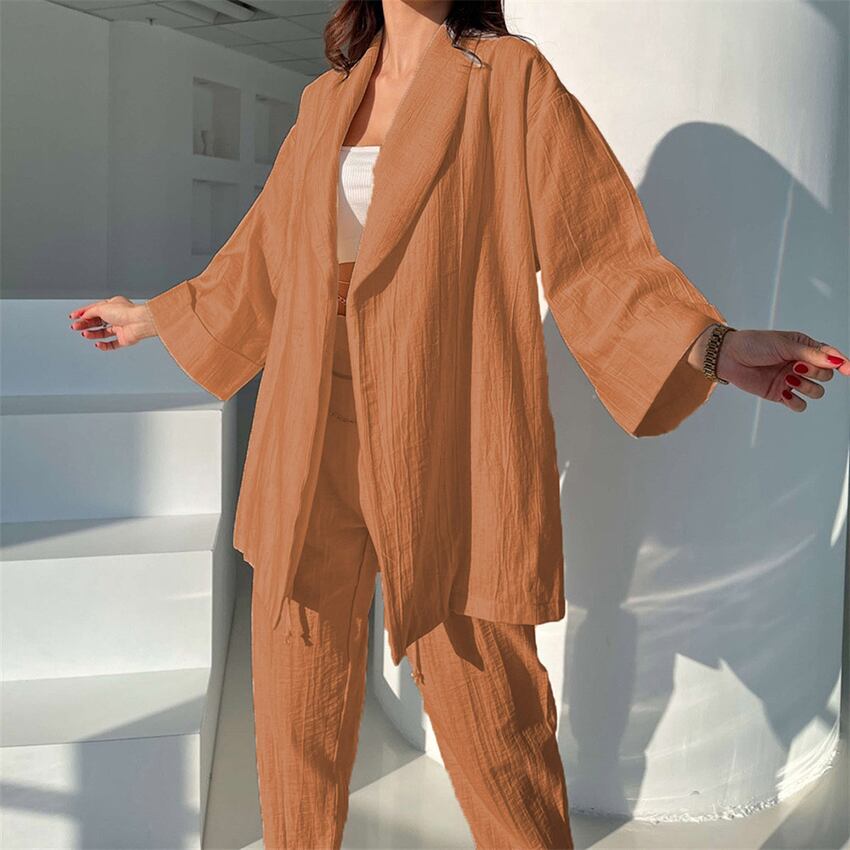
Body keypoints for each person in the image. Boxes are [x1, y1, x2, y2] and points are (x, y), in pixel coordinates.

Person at [68, 2, 848, 847]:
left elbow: (597, 251)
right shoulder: (325, 100)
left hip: (445, 417)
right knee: (296, 680)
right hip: (308, 408)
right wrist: (154, 315)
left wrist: (714, 346)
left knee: (488, 698)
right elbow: (262, 254)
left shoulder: (509, 79)